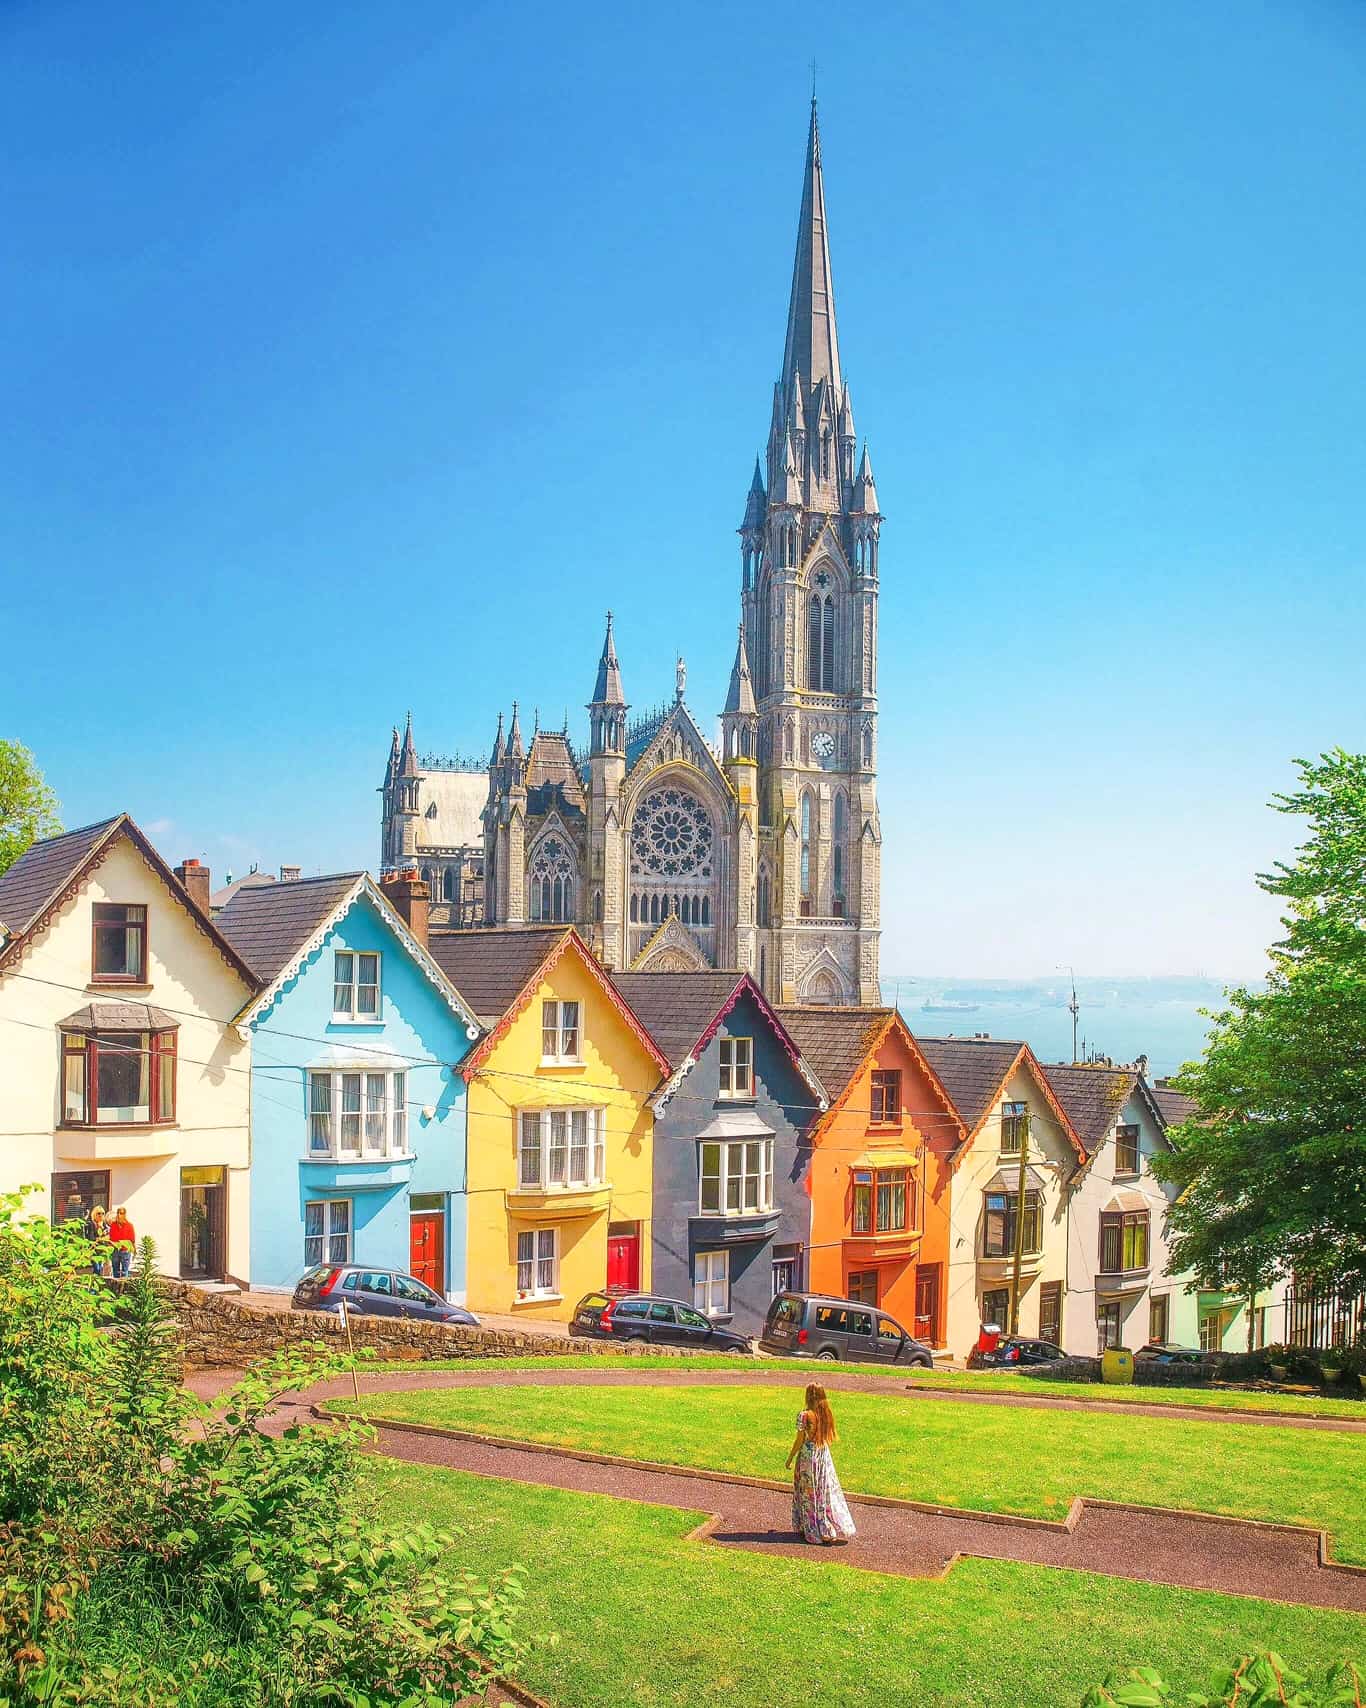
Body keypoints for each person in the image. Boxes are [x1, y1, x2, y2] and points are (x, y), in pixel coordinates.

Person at [785, 1382, 856, 1546]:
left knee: (808, 1493)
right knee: (823, 1492)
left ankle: (811, 1528)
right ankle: (826, 1528)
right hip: (823, 1456)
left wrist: (790, 1458)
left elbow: (799, 1440)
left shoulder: (804, 1415)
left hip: (808, 1458)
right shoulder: (826, 1414)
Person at [107, 1207, 135, 1279]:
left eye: (122, 1213)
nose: (120, 1215)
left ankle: (123, 1289)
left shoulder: (129, 1225)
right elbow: (111, 1238)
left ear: (125, 1214)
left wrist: (134, 1251)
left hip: (125, 1251)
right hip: (115, 1250)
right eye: (118, 1213)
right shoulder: (113, 1225)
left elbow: (132, 1239)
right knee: (115, 1271)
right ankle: (115, 1289)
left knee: (124, 1272)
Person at [82, 1205, 110, 1276]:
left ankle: (96, 1284)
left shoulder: (105, 1225)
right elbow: (91, 1238)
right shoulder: (91, 1224)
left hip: (102, 1250)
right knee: (96, 1268)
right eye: (99, 1213)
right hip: (94, 1250)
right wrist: (100, 1235)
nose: (101, 1215)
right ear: (94, 1214)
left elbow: (107, 1238)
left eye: (102, 1213)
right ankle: (94, 1285)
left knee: (100, 1269)